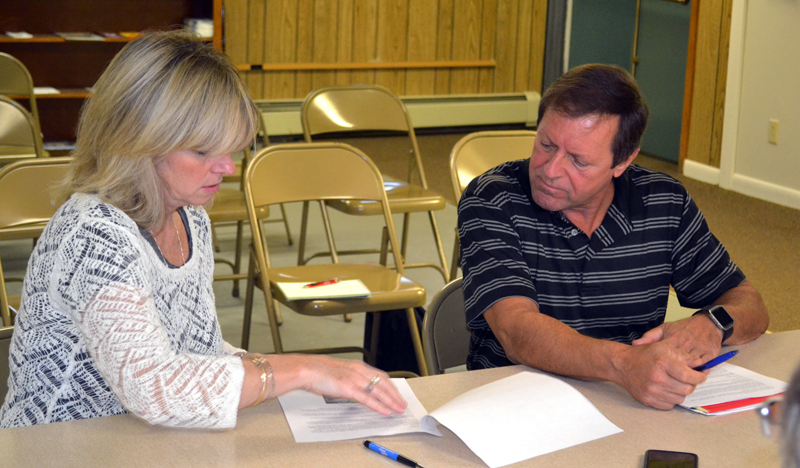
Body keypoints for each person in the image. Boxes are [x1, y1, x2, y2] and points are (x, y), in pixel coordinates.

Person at [0, 31, 406, 429]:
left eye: (229, 148)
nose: (228, 167)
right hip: (57, 448)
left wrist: (302, 375)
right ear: (139, 142)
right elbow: (156, 388)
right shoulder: (93, 234)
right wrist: (301, 371)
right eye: (202, 150)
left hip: (142, 441)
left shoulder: (189, 215)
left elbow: (199, 352)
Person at [458, 63, 769, 410]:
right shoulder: (493, 198)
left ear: (622, 162)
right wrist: (624, 365)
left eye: (577, 160)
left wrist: (713, 324)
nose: (550, 169)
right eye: (546, 144)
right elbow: (516, 330)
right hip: (516, 405)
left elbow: (748, 302)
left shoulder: (663, 201)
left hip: (629, 404)